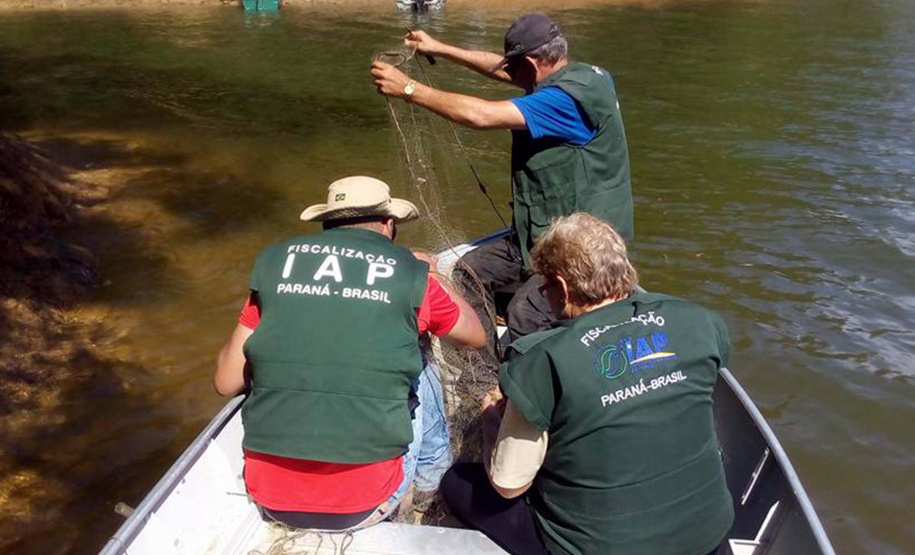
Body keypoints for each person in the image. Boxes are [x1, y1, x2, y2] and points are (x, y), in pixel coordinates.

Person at [440, 213, 734, 555]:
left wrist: (492, 420)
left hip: (598, 547)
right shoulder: (698, 320)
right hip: (709, 535)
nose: (544, 294)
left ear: (562, 288)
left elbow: (508, 485)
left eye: (544, 286)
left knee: (457, 482)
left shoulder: (541, 359)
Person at [213, 176, 486, 530]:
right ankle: (430, 486)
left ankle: (428, 480)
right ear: (389, 226)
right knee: (421, 359)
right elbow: (475, 336)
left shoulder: (275, 264)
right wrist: (433, 274)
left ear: (326, 223)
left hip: (269, 496)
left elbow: (225, 380)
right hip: (367, 501)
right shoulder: (412, 276)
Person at [371, 13, 634, 351]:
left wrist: (408, 88)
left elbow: (481, 115)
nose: (508, 73)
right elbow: (501, 66)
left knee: (525, 315)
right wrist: (441, 48)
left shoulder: (563, 101)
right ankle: (482, 374)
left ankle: (516, 392)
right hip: (541, 234)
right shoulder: (583, 76)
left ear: (531, 62)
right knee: (469, 274)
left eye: (514, 67)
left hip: (582, 247)